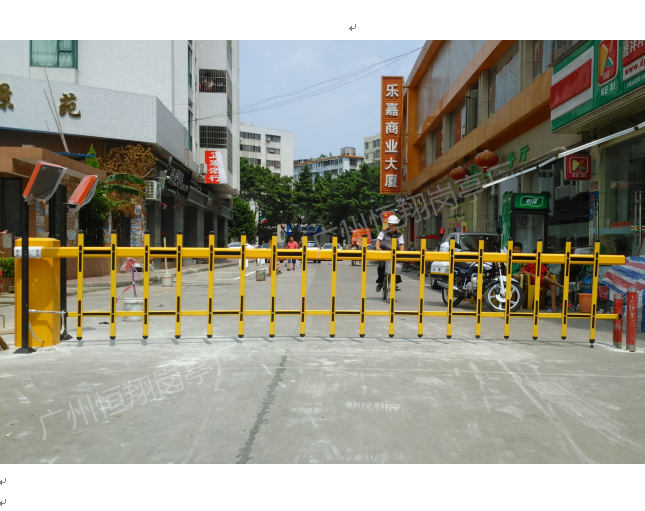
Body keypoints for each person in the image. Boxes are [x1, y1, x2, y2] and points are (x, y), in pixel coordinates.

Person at [375, 215, 405, 292]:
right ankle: (380, 283)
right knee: (381, 267)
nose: (394, 227)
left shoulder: (399, 234)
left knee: (397, 267)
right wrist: (378, 248)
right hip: (384, 252)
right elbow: (378, 240)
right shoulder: (383, 232)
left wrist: (401, 252)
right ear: (389, 225)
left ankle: (395, 283)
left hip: (394, 253)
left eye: (395, 225)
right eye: (392, 225)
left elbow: (401, 244)